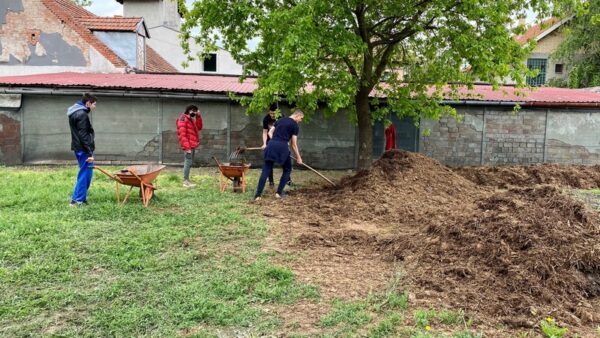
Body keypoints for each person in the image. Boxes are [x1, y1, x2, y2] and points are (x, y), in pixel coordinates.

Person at [254, 109, 304, 201]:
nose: (300, 120)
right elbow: (293, 144)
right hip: (283, 147)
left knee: (266, 170)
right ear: (297, 115)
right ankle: (278, 193)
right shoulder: (295, 125)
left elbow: (269, 132)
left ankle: (258, 195)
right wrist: (299, 158)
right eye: (301, 118)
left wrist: (275, 141)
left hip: (271, 145)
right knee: (287, 169)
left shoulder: (280, 120)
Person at [67, 93, 97, 206]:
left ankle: (80, 199)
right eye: (94, 104)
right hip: (83, 149)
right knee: (85, 174)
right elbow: (83, 135)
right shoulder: (82, 115)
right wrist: (89, 152)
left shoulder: (75, 112)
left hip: (79, 147)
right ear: (88, 103)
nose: (95, 106)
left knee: (86, 173)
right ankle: (77, 200)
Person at [176, 105, 203, 188]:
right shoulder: (183, 119)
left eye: (196, 111)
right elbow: (182, 135)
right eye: (193, 111)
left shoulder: (190, 119)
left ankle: (187, 180)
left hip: (192, 144)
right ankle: (185, 181)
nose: (194, 113)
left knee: (189, 162)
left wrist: (198, 116)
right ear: (189, 111)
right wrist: (187, 148)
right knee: (187, 162)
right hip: (188, 146)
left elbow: (199, 127)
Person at [261, 103, 278, 188]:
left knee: (285, 160)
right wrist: (264, 143)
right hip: (269, 142)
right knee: (269, 161)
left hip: (280, 141)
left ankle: (288, 180)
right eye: (271, 113)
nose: (272, 115)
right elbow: (264, 132)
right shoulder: (266, 119)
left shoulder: (281, 117)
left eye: (274, 114)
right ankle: (271, 182)